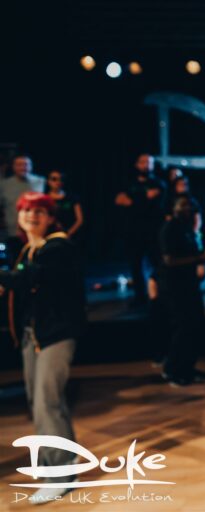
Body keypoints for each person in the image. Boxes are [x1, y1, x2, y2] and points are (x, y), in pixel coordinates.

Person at [0, 192, 86, 504]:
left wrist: (8, 278)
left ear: (50, 218)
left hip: (55, 336)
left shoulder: (57, 247)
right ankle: (62, 464)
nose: (32, 216)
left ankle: (61, 476)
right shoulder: (29, 249)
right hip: (32, 336)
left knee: (46, 403)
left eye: (39, 211)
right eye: (26, 211)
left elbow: (31, 278)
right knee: (40, 402)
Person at [157, 195, 205, 386]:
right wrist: (199, 259)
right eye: (183, 205)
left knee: (195, 324)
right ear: (175, 208)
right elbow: (169, 260)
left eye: (190, 205)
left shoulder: (189, 229)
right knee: (183, 327)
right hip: (174, 286)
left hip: (190, 285)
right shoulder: (170, 228)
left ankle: (187, 367)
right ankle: (172, 369)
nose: (187, 209)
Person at [115, 153, 167, 306]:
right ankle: (140, 297)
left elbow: (151, 198)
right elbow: (119, 200)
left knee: (157, 264)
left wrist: (133, 199)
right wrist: (144, 197)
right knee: (135, 265)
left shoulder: (159, 183)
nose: (146, 165)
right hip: (133, 231)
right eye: (143, 162)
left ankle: (159, 295)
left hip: (153, 231)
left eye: (149, 162)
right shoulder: (129, 183)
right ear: (137, 165)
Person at [1, 155, 45, 257]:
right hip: (12, 233)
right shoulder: (4, 185)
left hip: (36, 233)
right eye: (19, 165)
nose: (23, 167)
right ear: (13, 166)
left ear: (31, 166)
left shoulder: (41, 182)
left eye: (26, 164)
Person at [45, 170, 84, 241]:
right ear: (48, 181)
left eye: (61, 179)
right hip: (48, 236)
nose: (58, 182)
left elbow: (79, 220)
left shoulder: (72, 198)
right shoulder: (44, 198)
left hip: (68, 236)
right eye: (54, 179)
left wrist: (68, 233)